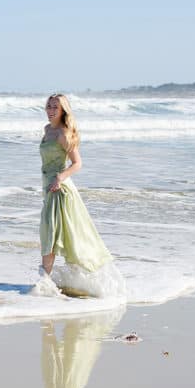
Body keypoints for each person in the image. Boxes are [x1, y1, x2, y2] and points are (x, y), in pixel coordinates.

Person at [35, 94, 124, 298]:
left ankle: (43, 284)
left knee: (50, 236)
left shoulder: (63, 134)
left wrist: (60, 178)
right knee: (52, 235)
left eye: (55, 107)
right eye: (48, 106)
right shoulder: (47, 130)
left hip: (60, 190)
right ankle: (47, 283)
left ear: (63, 110)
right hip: (47, 188)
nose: (50, 110)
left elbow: (77, 163)